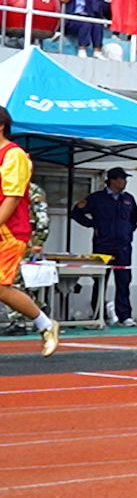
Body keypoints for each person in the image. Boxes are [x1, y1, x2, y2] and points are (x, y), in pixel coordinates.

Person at [0, 109, 55, 354]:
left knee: (1, 287)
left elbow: (12, 198)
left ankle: (45, 324)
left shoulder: (13, 155)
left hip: (9, 232)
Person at [72, 167, 137, 327]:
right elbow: (76, 213)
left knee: (124, 281)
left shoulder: (128, 199)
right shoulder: (97, 198)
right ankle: (98, 315)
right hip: (103, 245)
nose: (124, 182)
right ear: (112, 180)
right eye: (121, 179)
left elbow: (135, 217)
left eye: (125, 179)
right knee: (100, 280)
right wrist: (93, 225)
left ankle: (125, 316)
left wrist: (127, 230)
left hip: (123, 246)